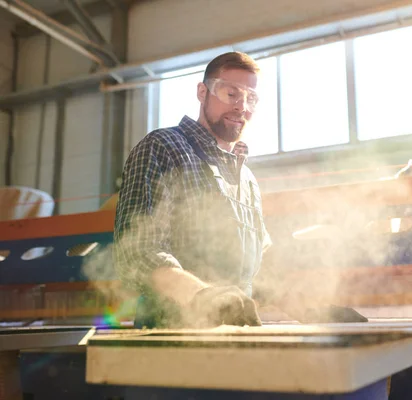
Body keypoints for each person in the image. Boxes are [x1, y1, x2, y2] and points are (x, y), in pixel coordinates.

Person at [113, 51, 366, 329]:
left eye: (250, 98)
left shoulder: (246, 178)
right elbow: (137, 253)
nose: (241, 106)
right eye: (230, 94)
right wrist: (203, 297)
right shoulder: (163, 148)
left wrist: (313, 313)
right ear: (202, 92)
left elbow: (261, 273)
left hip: (234, 340)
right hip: (168, 338)